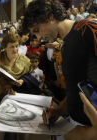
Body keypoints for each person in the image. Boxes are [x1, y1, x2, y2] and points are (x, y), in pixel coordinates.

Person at [22, 0, 97, 139]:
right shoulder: (65, 44)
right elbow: (77, 90)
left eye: (37, 30)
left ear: (50, 16)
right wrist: (58, 111)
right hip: (75, 124)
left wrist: (92, 133)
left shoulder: (88, 28)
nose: (38, 37)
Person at [0, 33, 42, 110]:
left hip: (18, 95)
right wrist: (2, 81)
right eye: (11, 47)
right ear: (5, 47)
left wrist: (22, 80)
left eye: (17, 46)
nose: (15, 49)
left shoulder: (25, 60)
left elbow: (30, 76)